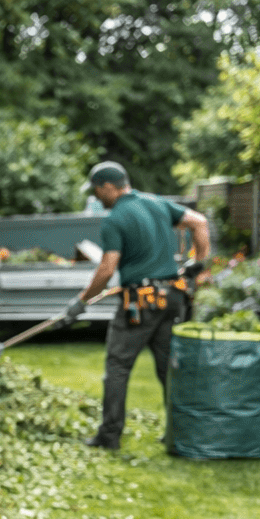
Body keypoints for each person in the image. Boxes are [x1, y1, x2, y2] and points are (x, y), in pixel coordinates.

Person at [64, 161, 211, 449]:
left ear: (109, 187)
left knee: (118, 366)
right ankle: (180, 432)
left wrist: (80, 303)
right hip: (172, 298)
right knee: (168, 367)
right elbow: (200, 222)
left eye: (97, 191)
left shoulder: (116, 220)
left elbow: (106, 270)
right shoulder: (157, 203)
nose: (96, 198)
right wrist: (199, 264)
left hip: (140, 303)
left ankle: (109, 436)